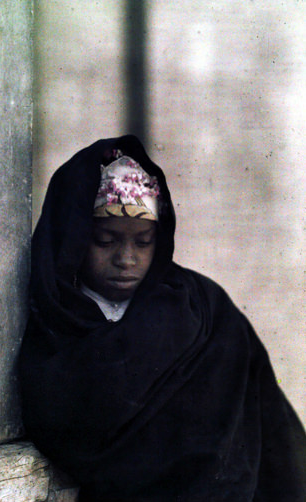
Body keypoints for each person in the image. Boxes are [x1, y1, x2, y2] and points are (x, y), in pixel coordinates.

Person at [19, 135, 306, 501]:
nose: (126, 259)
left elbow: (257, 428)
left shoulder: (199, 308)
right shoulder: (54, 323)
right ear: (73, 238)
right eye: (106, 240)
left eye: (143, 241)